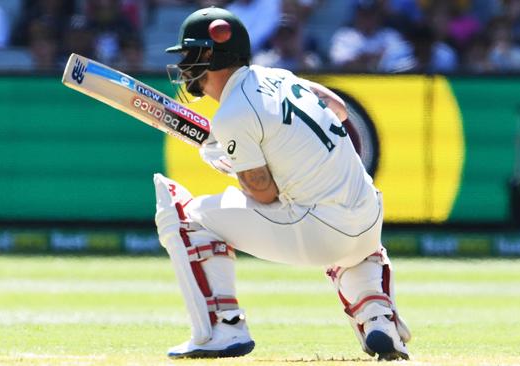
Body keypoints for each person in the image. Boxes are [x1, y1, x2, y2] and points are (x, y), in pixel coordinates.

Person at [153, 6, 411, 361]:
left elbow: (264, 192)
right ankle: (378, 318)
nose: (183, 66)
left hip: (320, 231)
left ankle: (222, 330)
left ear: (210, 56)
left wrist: (233, 165)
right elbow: (337, 108)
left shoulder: (233, 114)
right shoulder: (278, 75)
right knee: (351, 241)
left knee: (186, 215)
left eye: (189, 55)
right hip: (369, 218)